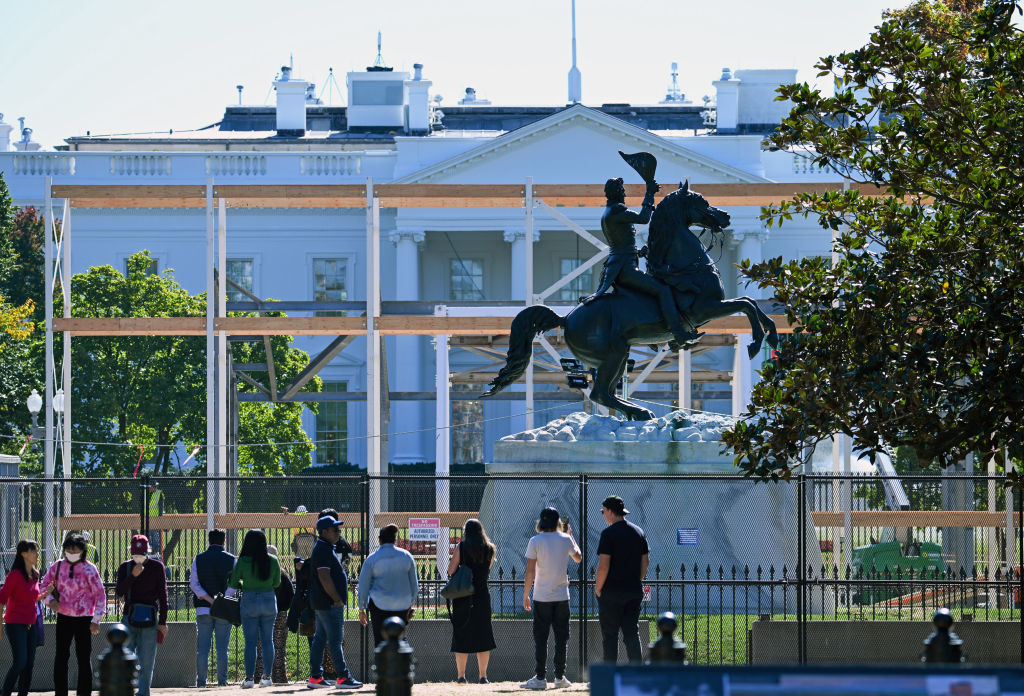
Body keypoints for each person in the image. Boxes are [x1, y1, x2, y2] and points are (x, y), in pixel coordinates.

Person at [581, 177, 699, 350]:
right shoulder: (616, 212)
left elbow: (620, 245)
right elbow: (644, 218)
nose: (624, 194)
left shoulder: (611, 212)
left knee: (650, 291)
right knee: (663, 290)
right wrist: (649, 193)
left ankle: (653, 329)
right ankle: (678, 333)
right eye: (622, 191)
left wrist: (637, 252)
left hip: (623, 264)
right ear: (616, 192)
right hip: (625, 269)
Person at [520, 508, 582, 690]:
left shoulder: (535, 541)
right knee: (561, 637)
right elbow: (578, 557)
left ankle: (540, 677)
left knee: (541, 637)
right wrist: (570, 536)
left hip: (541, 596)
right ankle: (560, 676)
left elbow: (530, 570)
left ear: (541, 522)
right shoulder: (565, 539)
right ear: (558, 522)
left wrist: (526, 594)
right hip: (562, 596)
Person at [39, 533, 106, 696]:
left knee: (84, 658)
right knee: (61, 656)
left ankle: (84, 693)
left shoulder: (90, 569)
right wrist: (50, 601)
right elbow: (43, 585)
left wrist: (96, 619)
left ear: (82, 550)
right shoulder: (57, 566)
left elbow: (100, 594)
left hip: (85, 620)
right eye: (68, 549)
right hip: (64, 617)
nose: (71, 552)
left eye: (74, 549)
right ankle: (60, 692)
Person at [306, 515, 362, 689]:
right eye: (335, 529)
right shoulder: (323, 549)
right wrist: (337, 599)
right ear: (324, 532)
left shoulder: (324, 547)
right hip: (330, 603)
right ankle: (343, 677)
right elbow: (324, 577)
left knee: (320, 639)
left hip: (323, 603)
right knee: (335, 641)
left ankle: (315, 676)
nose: (339, 532)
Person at [595, 496, 649, 663]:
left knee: (610, 636)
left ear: (610, 512)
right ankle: (636, 674)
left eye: (603, 511)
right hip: (633, 590)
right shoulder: (638, 531)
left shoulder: (608, 534)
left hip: (611, 591)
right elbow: (645, 562)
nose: (603, 515)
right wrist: (635, 580)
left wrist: (598, 588)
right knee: (632, 633)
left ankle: (610, 675)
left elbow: (603, 566)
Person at [115, 535, 169, 696]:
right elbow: (119, 591)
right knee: (125, 657)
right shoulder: (125, 567)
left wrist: (163, 622)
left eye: (141, 553)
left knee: (147, 660)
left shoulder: (157, 567)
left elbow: (163, 596)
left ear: (148, 552)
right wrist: (133, 576)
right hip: (129, 617)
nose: (138, 556)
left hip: (150, 618)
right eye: (135, 553)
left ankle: (144, 692)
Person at [227, 529, 281, 689]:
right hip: (269, 600)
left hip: (249, 600)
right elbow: (277, 583)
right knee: (267, 640)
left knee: (250, 642)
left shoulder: (243, 561)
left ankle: (249, 678)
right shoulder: (272, 560)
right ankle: (267, 677)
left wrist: (245, 585)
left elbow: (233, 583)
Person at [448, 518, 496, 684]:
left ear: (466, 532)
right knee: (483, 634)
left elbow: (451, 569)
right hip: (482, 596)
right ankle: (483, 676)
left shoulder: (461, 547)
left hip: (463, 597)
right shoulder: (489, 549)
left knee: (462, 634)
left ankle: (461, 676)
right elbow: (486, 569)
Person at [357, 524, 419, 645]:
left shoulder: (372, 559)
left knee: (380, 641)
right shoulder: (407, 556)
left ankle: (381, 662)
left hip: (379, 606)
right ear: (395, 540)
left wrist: (361, 609)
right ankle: (404, 660)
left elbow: (363, 586)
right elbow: (414, 586)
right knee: (400, 637)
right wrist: (410, 604)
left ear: (379, 540)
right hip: (402, 605)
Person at [190, 528, 236, 688]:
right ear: (224, 541)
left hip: (203, 608)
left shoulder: (199, 559)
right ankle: (222, 681)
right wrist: (220, 599)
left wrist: (209, 599)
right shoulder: (231, 559)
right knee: (222, 648)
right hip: (223, 609)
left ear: (209, 541)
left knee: (203, 648)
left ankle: (201, 682)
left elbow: (194, 585)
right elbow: (234, 585)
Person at [0, 539, 42, 696]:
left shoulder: (35, 574)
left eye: (37, 550)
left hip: (31, 625)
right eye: (34, 551)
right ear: (24, 554)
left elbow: (32, 598)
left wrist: (46, 593)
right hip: (15, 625)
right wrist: (0, 627)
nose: (38, 554)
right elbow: (1, 599)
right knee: (20, 662)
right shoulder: (15, 575)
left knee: (29, 664)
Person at [254, 544, 293, 684]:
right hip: (280, 614)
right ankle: (279, 677)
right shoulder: (283, 573)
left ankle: (259, 676)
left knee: (260, 647)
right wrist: (284, 608)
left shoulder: (258, 573)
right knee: (279, 648)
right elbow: (291, 595)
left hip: (262, 614)